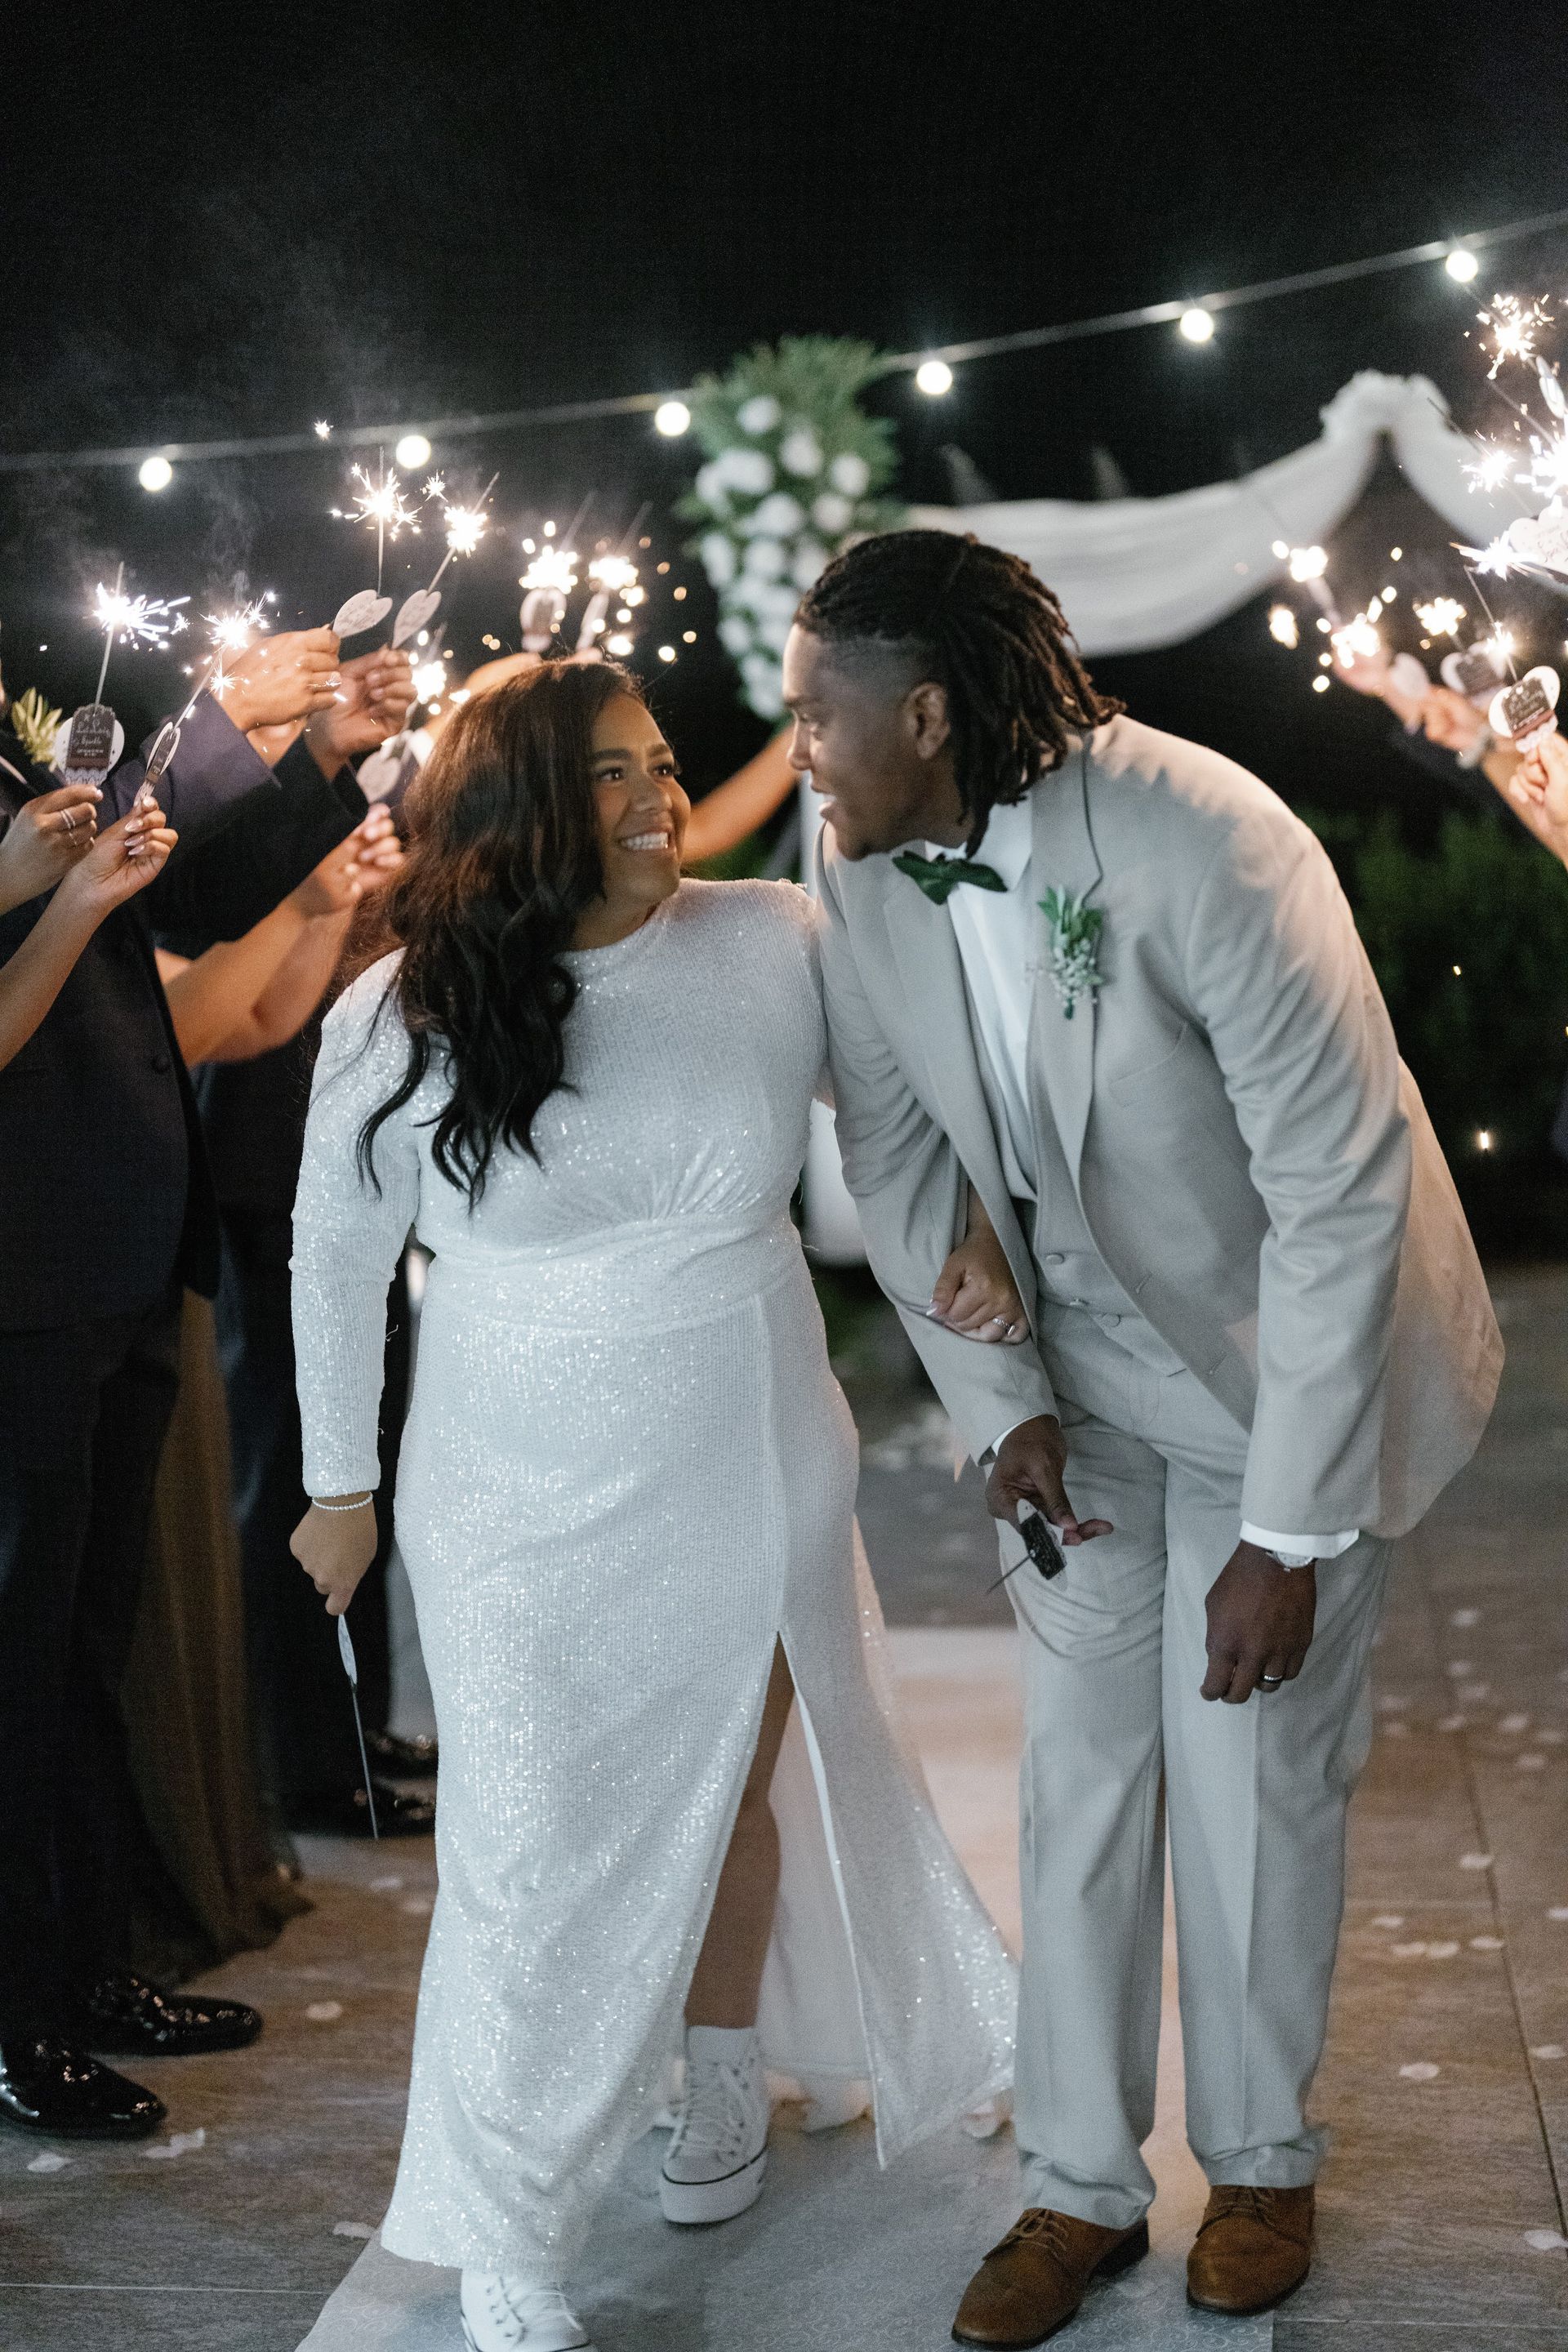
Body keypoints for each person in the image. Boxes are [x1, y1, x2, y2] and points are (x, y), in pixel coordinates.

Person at [786, 530, 1503, 2341]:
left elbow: (1337, 1200)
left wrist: (1291, 1534)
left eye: (819, 714)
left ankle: (1263, 2165)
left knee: (1253, 1784)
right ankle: (1078, 2192)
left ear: (931, 711)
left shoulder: (1215, 841)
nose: (798, 748)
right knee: (1083, 1778)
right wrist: (1002, 1404)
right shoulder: (862, 860)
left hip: (1283, 1377)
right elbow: (894, 1155)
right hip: (1078, 1389)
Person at [288, 661, 1017, 2352]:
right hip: (508, 1460)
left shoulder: (774, 938)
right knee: (525, 1844)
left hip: (751, 1422)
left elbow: (878, 1166)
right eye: (612, 772)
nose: (658, 796)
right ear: (523, 803)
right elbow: (330, 1256)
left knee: (730, 1779)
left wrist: (962, 1245)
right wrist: (341, 1482)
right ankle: (509, 2216)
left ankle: (718, 2071)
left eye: (663, 763)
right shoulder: (403, 1011)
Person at [0, 630, 372, 2145]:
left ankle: (93, 1973)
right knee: (19, 1666)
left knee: (88, 1646)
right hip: (23, 1274)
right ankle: (20, 2022)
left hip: (112, 1257)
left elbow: (194, 897)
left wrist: (302, 753)